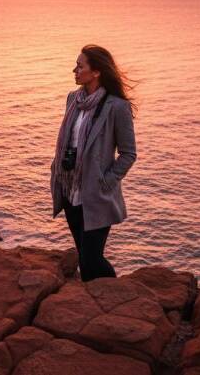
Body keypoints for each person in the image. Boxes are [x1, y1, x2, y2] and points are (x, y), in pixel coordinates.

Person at [50, 44, 137, 281]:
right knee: (83, 254)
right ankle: (99, 301)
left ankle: (114, 296)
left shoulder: (117, 107)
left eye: (80, 66)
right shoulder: (72, 100)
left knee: (91, 259)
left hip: (95, 194)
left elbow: (129, 153)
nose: (74, 70)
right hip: (69, 189)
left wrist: (105, 182)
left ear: (96, 71)